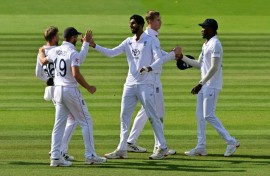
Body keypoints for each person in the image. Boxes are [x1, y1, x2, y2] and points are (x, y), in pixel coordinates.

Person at [89, 15, 181, 160]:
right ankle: (122, 149)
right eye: (130, 24)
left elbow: (159, 59)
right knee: (124, 116)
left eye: (133, 24)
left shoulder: (151, 40)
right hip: (130, 84)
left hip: (146, 84)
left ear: (140, 25)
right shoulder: (128, 41)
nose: (131, 26)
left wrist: (149, 68)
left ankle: (162, 147)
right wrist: (94, 45)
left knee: (152, 115)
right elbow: (111, 53)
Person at [39, 27, 107, 166]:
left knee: (58, 125)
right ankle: (90, 155)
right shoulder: (72, 52)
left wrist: (40, 52)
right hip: (70, 90)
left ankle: (56, 158)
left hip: (57, 90)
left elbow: (43, 61)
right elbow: (76, 74)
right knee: (86, 121)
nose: (77, 38)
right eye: (76, 37)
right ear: (72, 38)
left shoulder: (54, 51)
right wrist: (89, 87)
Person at [178, 19, 240, 156]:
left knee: (208, 115)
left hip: (211, 85)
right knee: (200, 116)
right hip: (205, 84)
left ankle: (231, 141)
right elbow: (199, 64)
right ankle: (201, 147)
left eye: (204, 27)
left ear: (211, 29)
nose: (201, 29)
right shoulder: (206, 44)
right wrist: (182, 57)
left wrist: (200, 83)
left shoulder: (216, 44)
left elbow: (214, 67)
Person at [126, 10, 176, 156]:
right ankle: (159, 147)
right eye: (158, 20)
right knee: (157, 114)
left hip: (149, 79)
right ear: (150, 22)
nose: (160, 22)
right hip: (151, 80)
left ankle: (131, 142)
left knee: (146, 111)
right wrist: (173, 55)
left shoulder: (151, 36)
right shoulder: (149, 37)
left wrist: (173, 55)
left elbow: (159, 53)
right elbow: (157, 59)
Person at [35, 26, 89, 162]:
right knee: (72, 119)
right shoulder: (59, 50)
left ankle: (58, 150)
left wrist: (49, 79)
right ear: (53, 37)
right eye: (57, 36)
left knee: (65, 121)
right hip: (62, 88)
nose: (59, 38)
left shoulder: (43, 52)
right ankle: (59, 150)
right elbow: (77, 64)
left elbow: (38, 73)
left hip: (52, 88)